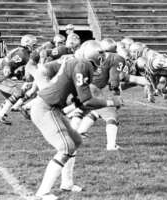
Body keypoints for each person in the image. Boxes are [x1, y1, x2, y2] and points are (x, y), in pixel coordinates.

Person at [28, 40, 123, 199]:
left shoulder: (78, 62)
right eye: (101, 56)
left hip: (53, 107)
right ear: (95, 56)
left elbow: (79, 99)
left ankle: (67, 183)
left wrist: (77, 105)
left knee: (76, 141)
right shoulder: (83, 65)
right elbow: (87, 100)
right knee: (66, 146)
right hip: (46, 107)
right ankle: (42, 192)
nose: (103, 60)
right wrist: (112, 102)